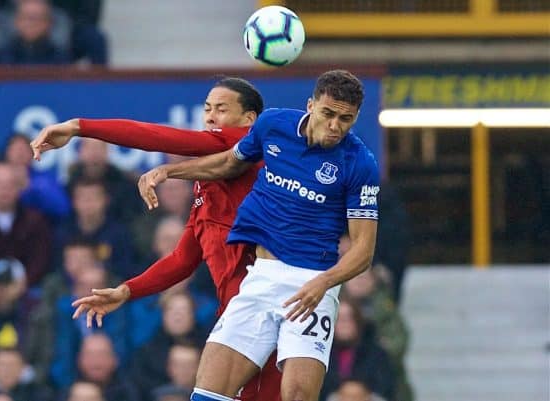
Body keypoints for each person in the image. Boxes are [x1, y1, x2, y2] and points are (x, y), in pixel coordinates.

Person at [30, 76, 280, 401]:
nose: (211, 117)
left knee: (211, 394)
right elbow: (182, 259)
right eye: (207, 109)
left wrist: (80, 126)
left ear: (249, 120)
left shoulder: (246, 143)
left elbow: (159, 136)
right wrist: (126, 291)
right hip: (238, 310)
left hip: (263, 307)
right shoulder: (206, 186)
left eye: (221, 109)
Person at [134, 70, 379, 401]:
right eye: (328, 114)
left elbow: (363, 251)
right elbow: (227, 164)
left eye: (346, 119)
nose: (335, 126)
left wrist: (323, 284)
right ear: (311, 105)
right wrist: (169, 171)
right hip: (260, 278)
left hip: (312, 285)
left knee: (295, 396)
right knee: (207, 391)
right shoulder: (273, 125)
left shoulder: (360, 163)